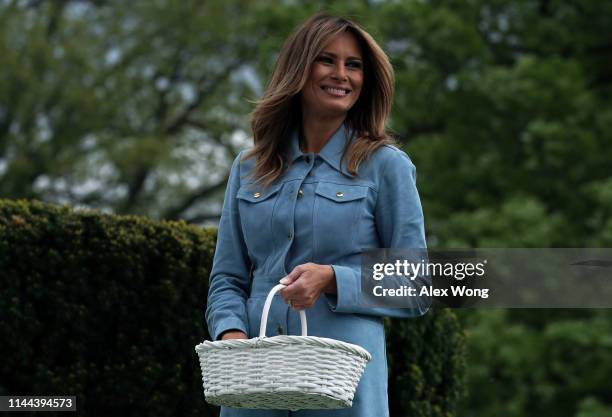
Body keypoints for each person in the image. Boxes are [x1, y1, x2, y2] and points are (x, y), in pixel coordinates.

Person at [205, 12, 429, 417]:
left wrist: (332, 280)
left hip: (344, 391)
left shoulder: (386, 166)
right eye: (327, 60)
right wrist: (232, 334)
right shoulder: (248, 167)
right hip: (253, 387)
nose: (341, 74)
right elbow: (227, 278)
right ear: (298, 69)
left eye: (354, 65)